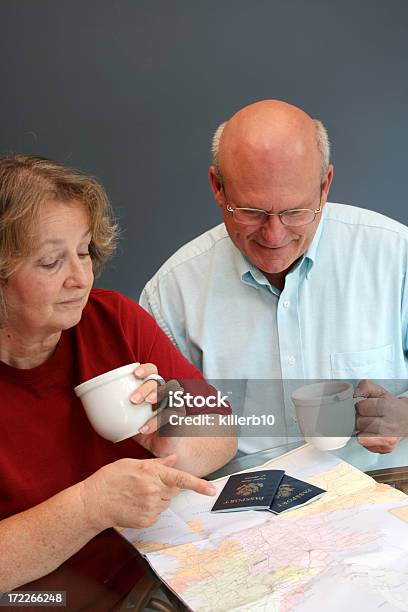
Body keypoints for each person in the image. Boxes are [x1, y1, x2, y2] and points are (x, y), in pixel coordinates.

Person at [0, 155, 236, 605]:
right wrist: (88, 507)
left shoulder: (114, 319)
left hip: (157, 580)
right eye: (51, 261)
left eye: (85, 251)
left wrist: (174, 440)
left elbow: (223, 431)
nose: (81, 277)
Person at [140, 99, 408, 455]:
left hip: (381, 493)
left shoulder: (394, 256)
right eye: (252, 212)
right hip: (238, 505)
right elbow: (158, 438)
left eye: (295, 211)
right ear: (218, 188)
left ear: (325, 185)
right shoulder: (172, 295)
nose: (274, 236)